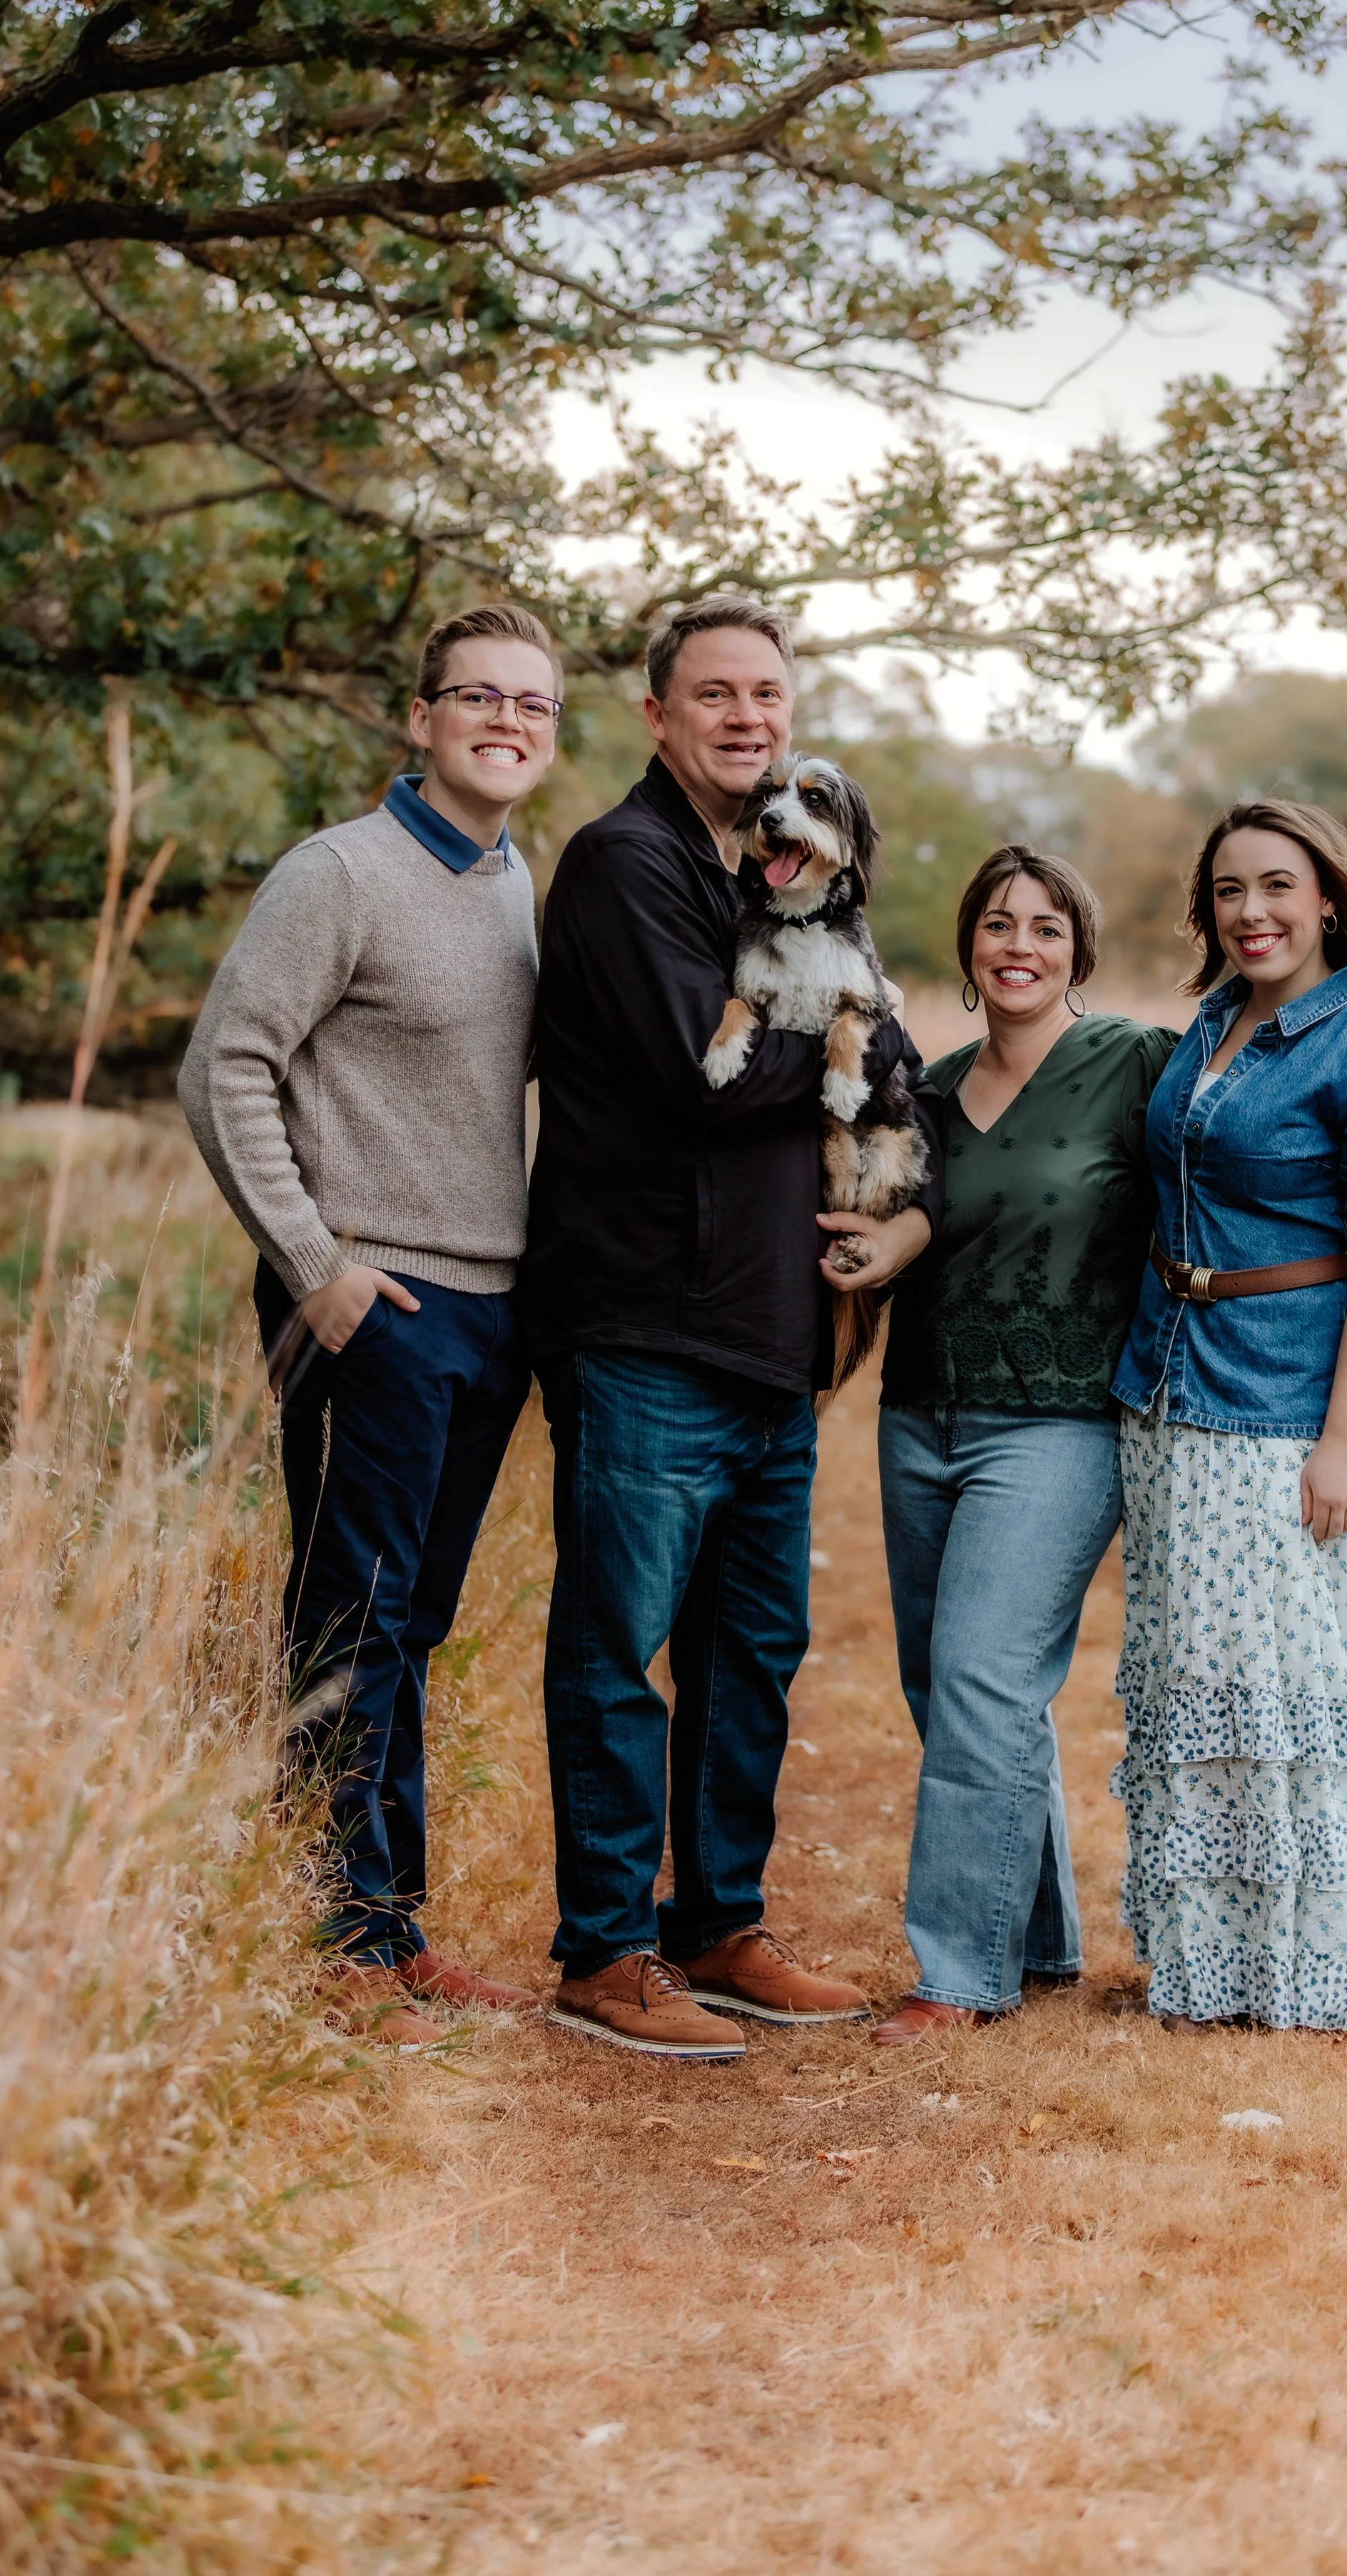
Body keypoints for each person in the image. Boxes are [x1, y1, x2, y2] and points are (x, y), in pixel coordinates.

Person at [523, 593, 941, 2060]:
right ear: (657, 715)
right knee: (618, 1643)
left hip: (765, 1341)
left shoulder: (772, 879)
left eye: (766, 694)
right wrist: (869, 1039)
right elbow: (719, 1079)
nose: (745, 717)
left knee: (750, 1647)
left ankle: (717, 1926)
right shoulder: (623, 867)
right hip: (643, 1323)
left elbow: (848, 1053)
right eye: (713, 695)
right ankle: (604, 1951)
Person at [179, 603, 558, 2046]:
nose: (504, 721)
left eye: (529, 703)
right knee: (350, 1613)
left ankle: (387, 1931)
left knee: (414, 1620)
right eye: (476, 697)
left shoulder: (519, 889)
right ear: (419, 718)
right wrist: (314, 1262)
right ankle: (332, 1938)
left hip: (490, 1308)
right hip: (371, 1306)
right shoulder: (338, 872)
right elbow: (227, 1070)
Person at [1111, 798, 1347, 2033]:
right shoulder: (1208, 1024)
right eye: (1227, 892)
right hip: (1169, 1389)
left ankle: (1320, 1966)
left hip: (1283, 1413)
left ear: (1325, 899)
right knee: (1202, 1687)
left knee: (1294, 1695)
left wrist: (1345, 1438)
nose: (1250, 911)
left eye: (1275, 887)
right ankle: (1217, 1967)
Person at [872, 847, 1179, 2044]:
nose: (1020, 945)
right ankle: (1036, 1932)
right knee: (943, 1687)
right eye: (998, 924)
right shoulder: (932, 1093)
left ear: (1079, 951)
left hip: (1058, 1422)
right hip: (921, 1410)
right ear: (967, 947)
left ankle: (958, 1974)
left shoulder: (1134, 1065)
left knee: (984, 1679)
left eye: (1047, 928)